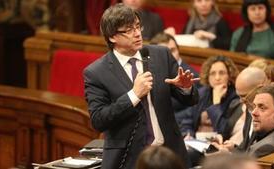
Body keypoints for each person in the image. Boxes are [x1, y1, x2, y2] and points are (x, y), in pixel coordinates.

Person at [84, 3, 199, 169]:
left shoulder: (161, 55)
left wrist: (185, 88)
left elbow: (191, 99)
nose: (137, 34)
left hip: (170, 154)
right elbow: (99, 120)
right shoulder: (96, 72)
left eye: (138, 26)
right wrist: (134, 95)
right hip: (129, 159)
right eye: (129, 30)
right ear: (112, 37)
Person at [150, 32, 201, 133]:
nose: (170, 56)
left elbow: (195, 108)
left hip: (180, 127)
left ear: (178, 50)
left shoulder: (190, 75)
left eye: (172, 50)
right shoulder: (149, 72)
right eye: (164, 53)